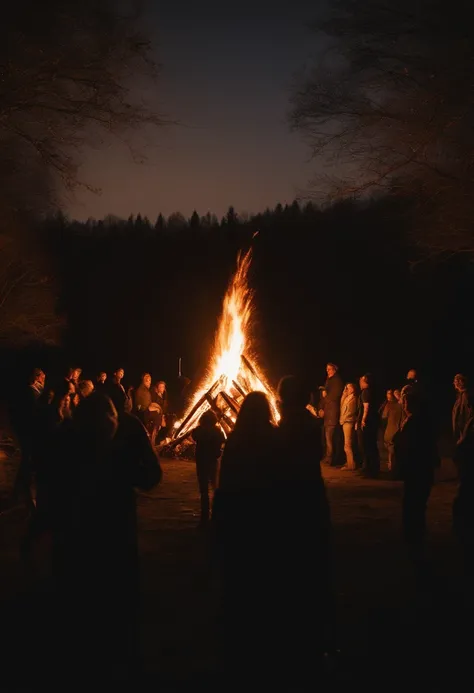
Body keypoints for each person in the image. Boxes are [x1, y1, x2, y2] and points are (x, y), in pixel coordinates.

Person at [48, 391, 162, 684]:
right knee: (105, 605)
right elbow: (150, 475)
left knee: (103, 605)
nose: (106, 426)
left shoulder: (69, 435)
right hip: (100, 536)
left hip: (92, 538)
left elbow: (150, 475)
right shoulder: (118, 431)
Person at [393, 387, 439, 571]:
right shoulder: (417, 421)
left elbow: (410, 446)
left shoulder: (416, 422)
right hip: (419, 469)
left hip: (417, 469)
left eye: (406, 402)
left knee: (414, 502)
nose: (404, 405)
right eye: (404, 402)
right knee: (414, 502)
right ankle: (414, 534)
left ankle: (414, 536)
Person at [191, 410, 224, 525]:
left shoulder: (198, 431)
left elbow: (194, 436)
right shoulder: (217, 432)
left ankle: (204, 516)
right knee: (215, 487)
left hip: (201, 461)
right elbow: (222, 440)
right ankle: (216, 514)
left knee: (203, 490)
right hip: (212, 461)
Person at [356, 373, 380, 478]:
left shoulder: (365, 392)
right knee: (371, 446)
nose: (360, 383)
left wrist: (363, 420)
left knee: (366, 446)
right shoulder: (371, 392)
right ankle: (371, 469)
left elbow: (366, 406)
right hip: (372, 422)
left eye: (361, 381)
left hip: (366, 423)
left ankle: (369, 470)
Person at [323, 363, 344, 466]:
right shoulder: (329, 381)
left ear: (334, 370)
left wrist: (325, 395)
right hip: (328, 414)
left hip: (332, 414)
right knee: (328, 437)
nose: (328, 371)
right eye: (327, 369)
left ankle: (331, 458)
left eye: (329, 369)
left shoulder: (336, 381)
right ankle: (329, 457)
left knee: (330, 437)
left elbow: (334, 396)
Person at [381, 389, 403, 475]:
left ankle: (392, 468)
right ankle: (394, 467)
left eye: (389, 393)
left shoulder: (390, 406)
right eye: (387, 393)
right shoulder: (402, 405)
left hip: (392, 429)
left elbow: (384, 417)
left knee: (391, 449)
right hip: (398, 429)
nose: (388, 395)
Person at [452, 373, 470, 478]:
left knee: (462, 458)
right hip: (460, 433)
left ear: (460, 382)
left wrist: (463, 436)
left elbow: (468, 416)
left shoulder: (466, 396)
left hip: (464, 434)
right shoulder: (461, 396)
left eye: (456, 381)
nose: (454, 383)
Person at [340, 383, 358, 470]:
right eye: (346, 388)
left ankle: (351, 465)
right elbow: (341, 406)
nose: (348, 389)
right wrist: (344, 394)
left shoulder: (353, 398)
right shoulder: (347, 397)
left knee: (347, 444)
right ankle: (350, 462)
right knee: (346, 444)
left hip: (348, 421)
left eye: (349, 387)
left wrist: (344, 418)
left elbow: (351, 411)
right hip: (344, 421)